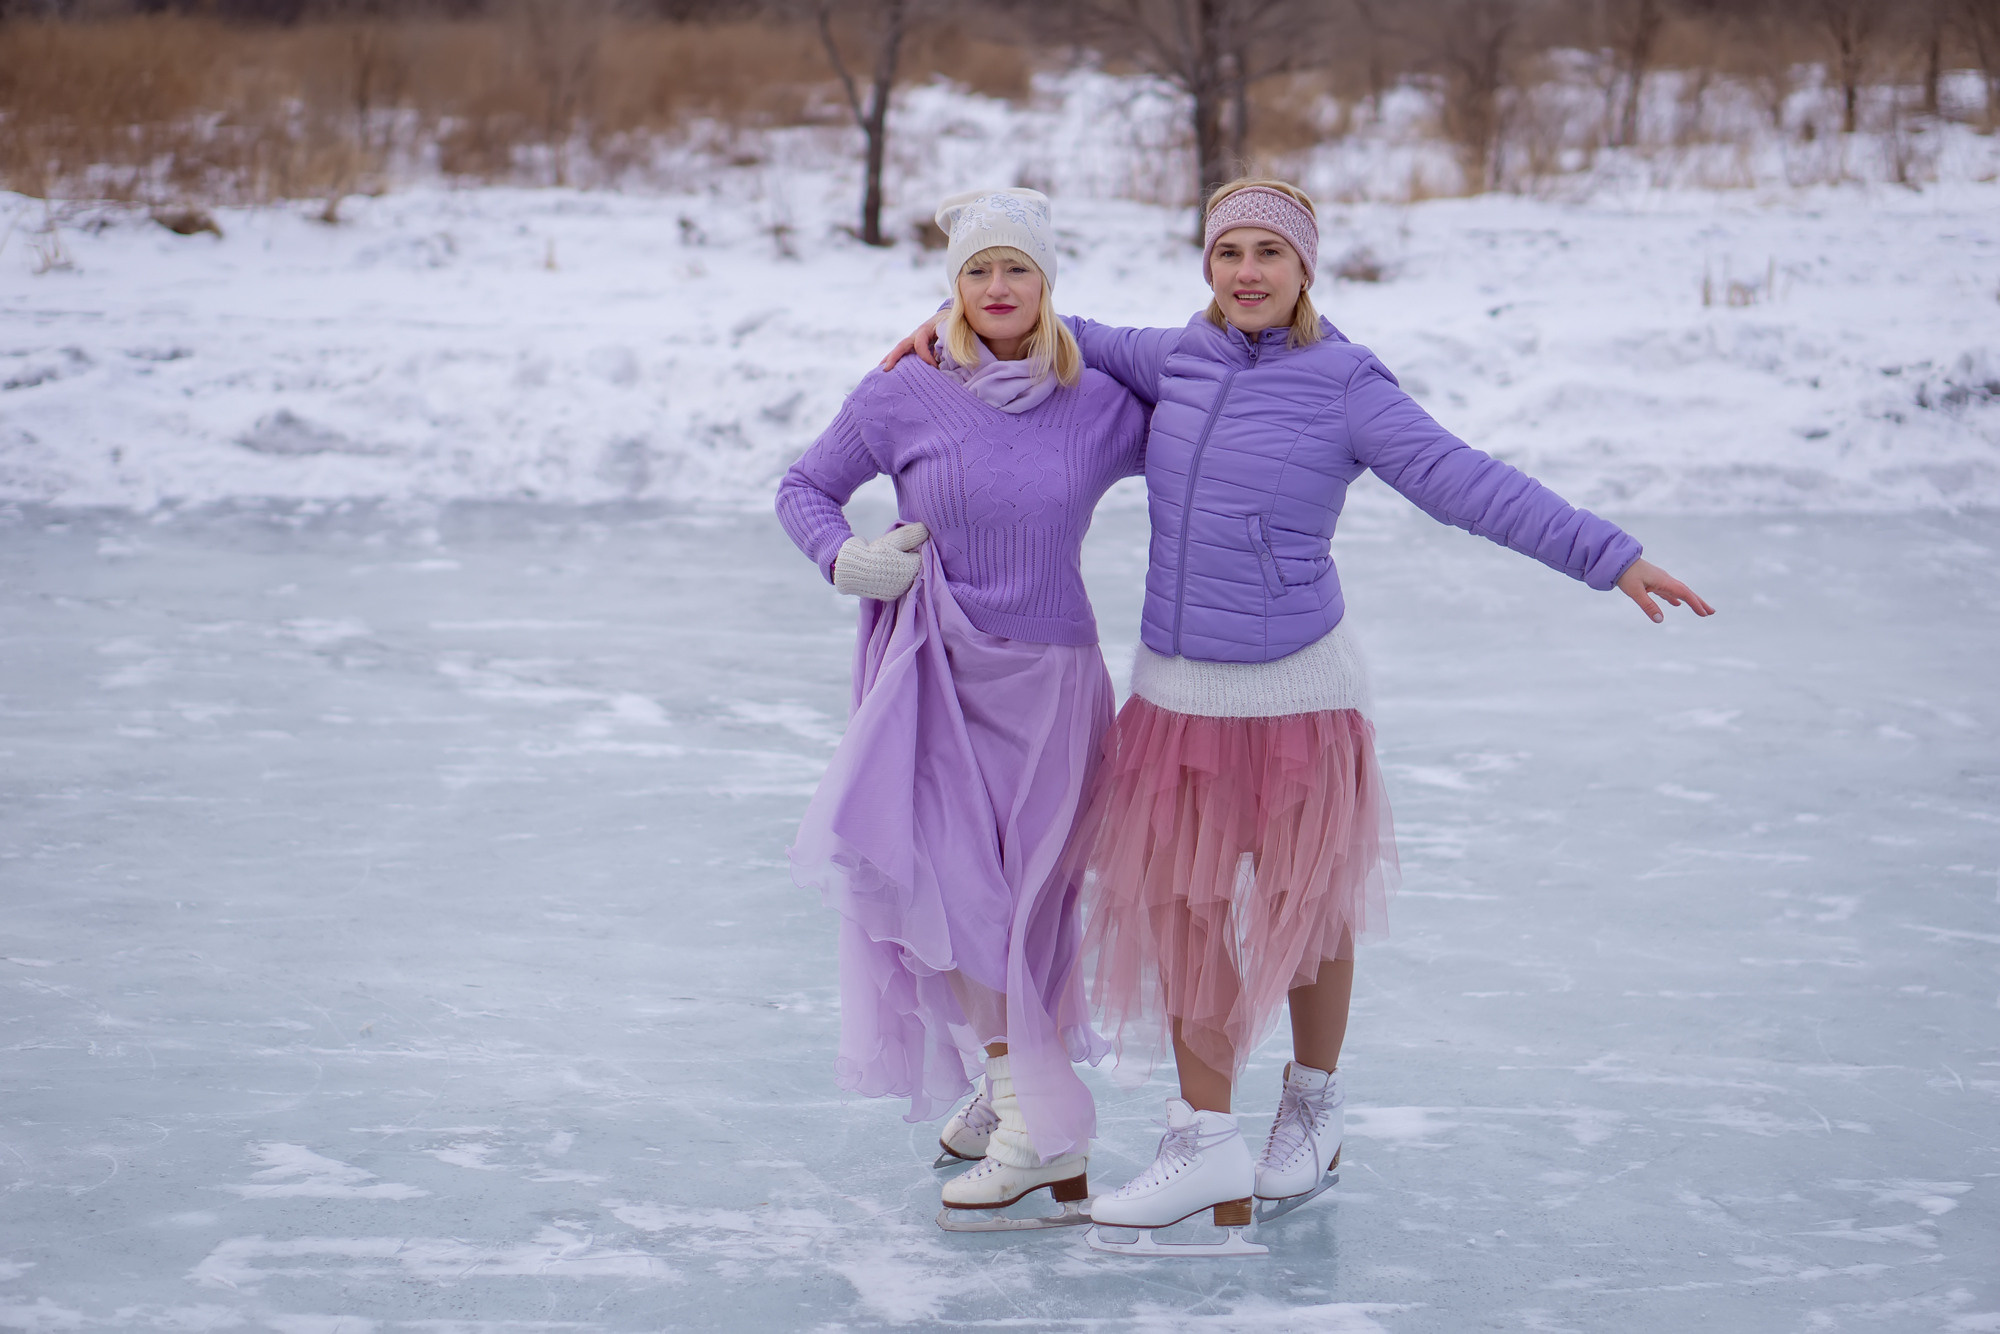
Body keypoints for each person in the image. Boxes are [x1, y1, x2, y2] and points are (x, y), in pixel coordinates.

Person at [886, 177, 1712, 1252]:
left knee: (1301, 910)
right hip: (1177, 695)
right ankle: (1203, 1138)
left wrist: (1607, 557)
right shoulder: (1170, 357)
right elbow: (1036, 321)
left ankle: (1312, 1107)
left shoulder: (1346, 384)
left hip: (1297, 692)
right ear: (1205, 267)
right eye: (1226, 252)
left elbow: (1465, 481)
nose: (1245, 272)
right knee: (1183, 915)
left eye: (1267, 254)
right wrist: (933, 333)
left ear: (1303, 269)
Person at [775, 188, 1149, 1226]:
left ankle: (1004, 1085)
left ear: (1047, 283)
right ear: (953, 284)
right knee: (962, 893)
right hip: (936, 675)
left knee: (1030, 906)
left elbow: (1205, 418)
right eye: (977, 270)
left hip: (1055, 687)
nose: (996, 288)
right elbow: (802, 487)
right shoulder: (903, 391)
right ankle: (1033, 1121)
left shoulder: (1102, 400)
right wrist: (841, 555)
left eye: (1016, 269)